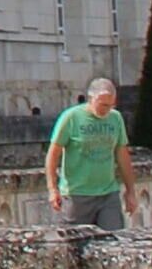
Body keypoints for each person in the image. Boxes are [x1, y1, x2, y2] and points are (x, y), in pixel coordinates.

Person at [45, 76, 136, 232]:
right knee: (76, 247)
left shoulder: (116, 118)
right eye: (103, 105)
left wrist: (131, 191)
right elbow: (53, 155)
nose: (106, 110)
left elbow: (122, 156)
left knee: (114, 241)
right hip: (77, 195)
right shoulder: (71, 118)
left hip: (108, 193)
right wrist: (53, 189)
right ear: (91, 99)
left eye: (110, 105)